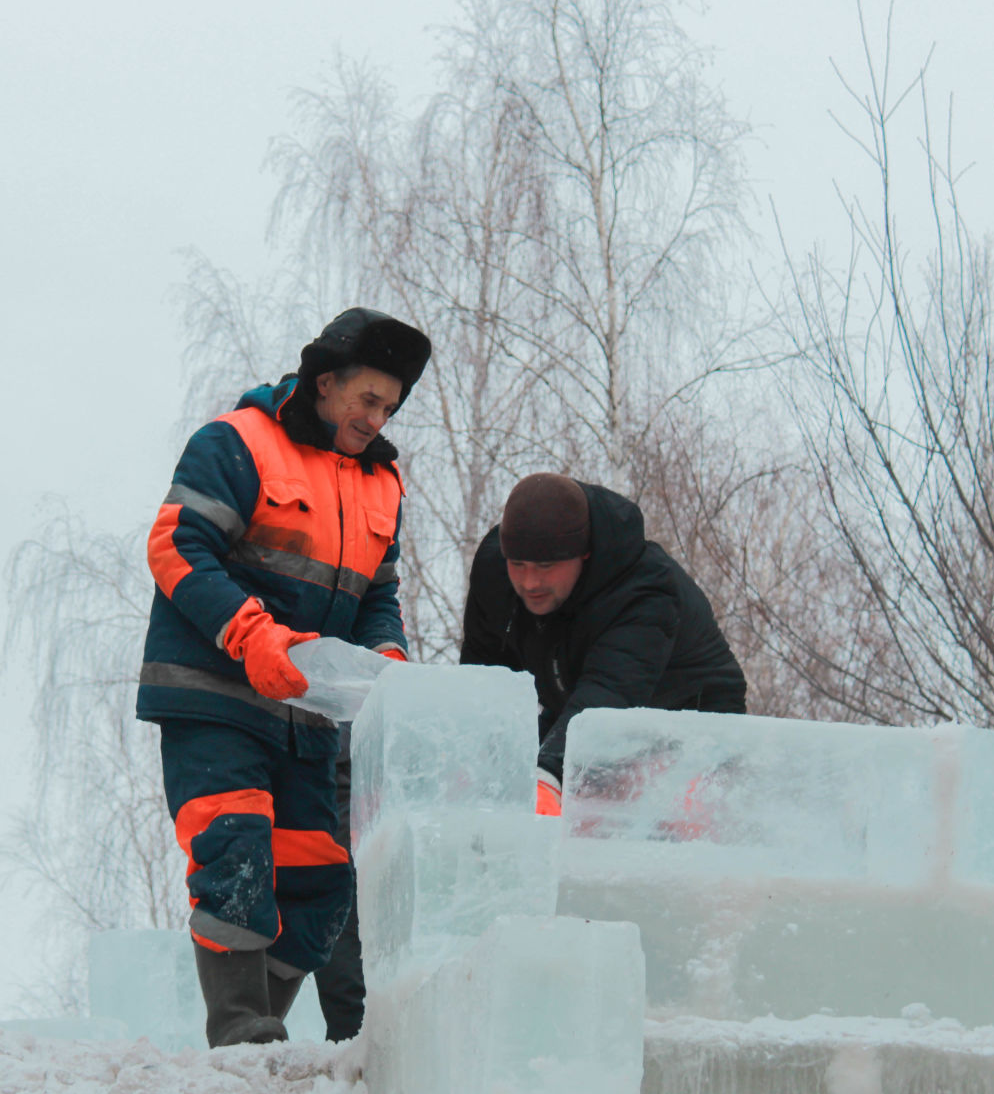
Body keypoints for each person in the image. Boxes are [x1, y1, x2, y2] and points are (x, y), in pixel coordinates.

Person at [139, 307, 429, 1047]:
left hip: (308, 711)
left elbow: (379, 598)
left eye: (390, 406)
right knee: (235, 848)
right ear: (323, 382)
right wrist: (250, 633)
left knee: (320, 884)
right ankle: (241, 1035)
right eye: (367, 399)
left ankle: (260, 1024)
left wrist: (386, 659)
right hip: (216, 693)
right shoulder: (237, 444)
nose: (377, 417)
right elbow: (177, 546)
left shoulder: (383, 483)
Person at [461, 473, 746, 813]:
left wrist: (548, 774)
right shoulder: (495, 571)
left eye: (546, 566)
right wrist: (473, 759)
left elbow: (610, 692)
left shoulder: (646, 589)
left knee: (658, 813)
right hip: (576, 703)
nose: (529, 581)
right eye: (518, 564)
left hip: (691, 717)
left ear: (584, 554)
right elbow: (484, 676)